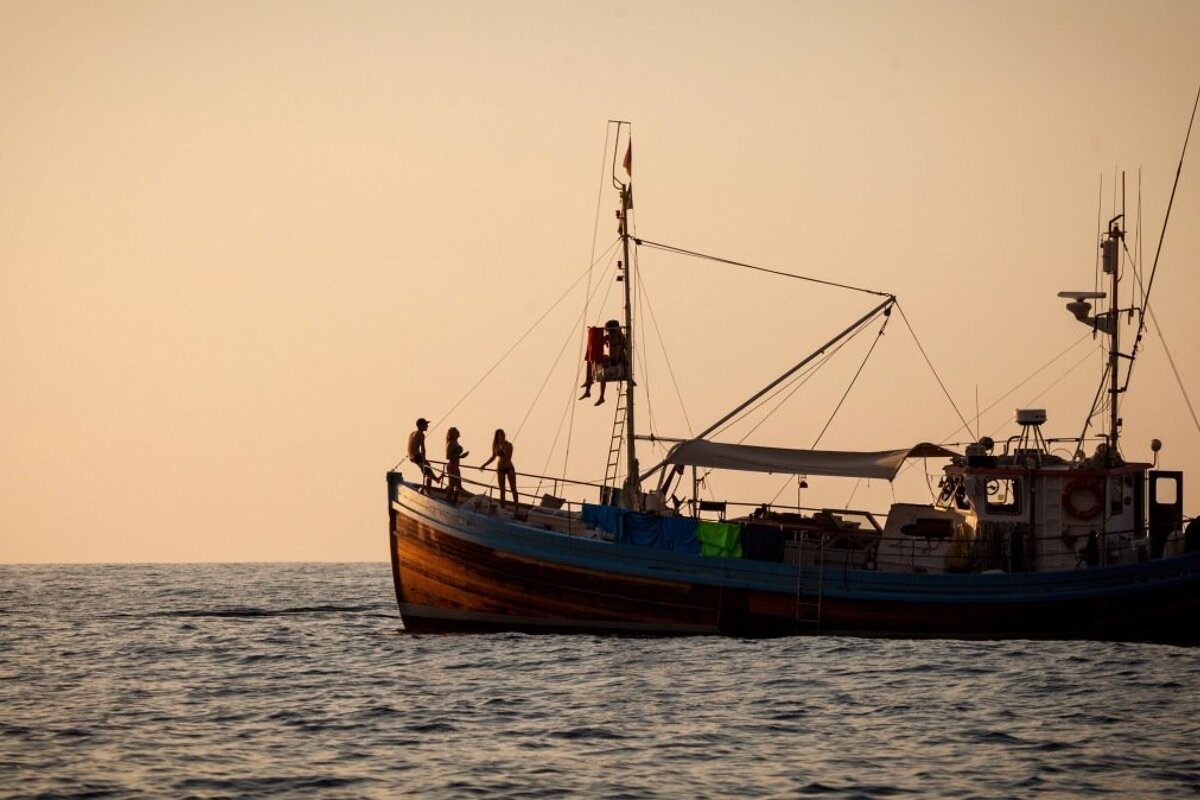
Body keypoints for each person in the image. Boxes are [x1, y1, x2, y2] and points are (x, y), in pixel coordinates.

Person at [480, 428, 518, 511]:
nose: (501, 436)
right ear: (497, 436)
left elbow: (508, 457)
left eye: (502, 434)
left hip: (509, 467)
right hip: (500, 468)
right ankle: (503, 508)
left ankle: (517, 508)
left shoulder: (509, 445)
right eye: (500, 435)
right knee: (502, 490)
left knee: (513, 489)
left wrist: (503, 453)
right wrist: (484, 465)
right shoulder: (495, 445)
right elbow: (493, 457)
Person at [594, 320, 626, 406]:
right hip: (612, 362)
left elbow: (624, 342)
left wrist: (618, 330)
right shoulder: (609, 337)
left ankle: (601, 397)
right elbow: (601, 340)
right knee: (602, 373)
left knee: (605, 374)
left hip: (619, 363)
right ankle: (602, 397)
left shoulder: (619, 336)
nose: (608, 331)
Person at [407, 417, 440, 490]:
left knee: (426, 466)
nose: (427, 426)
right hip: (416, 456)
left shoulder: (412, 433)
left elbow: (411, 445)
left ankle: (435, 480)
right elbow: (423, 448)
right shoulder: (421, 434)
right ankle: (430, 487)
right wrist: (424, 459)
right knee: (426, 467)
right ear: (421, 426)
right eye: (426, 425)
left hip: (411, 456)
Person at [444, 427, 469, 504]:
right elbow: (448, 456)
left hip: (456, 466)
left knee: (458, 486)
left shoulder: (456, 442)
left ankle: (454, 501)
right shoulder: (450, 443)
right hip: (451, 466)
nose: (458, 432)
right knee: (451, 485)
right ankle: (448, 500)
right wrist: (461, 456)